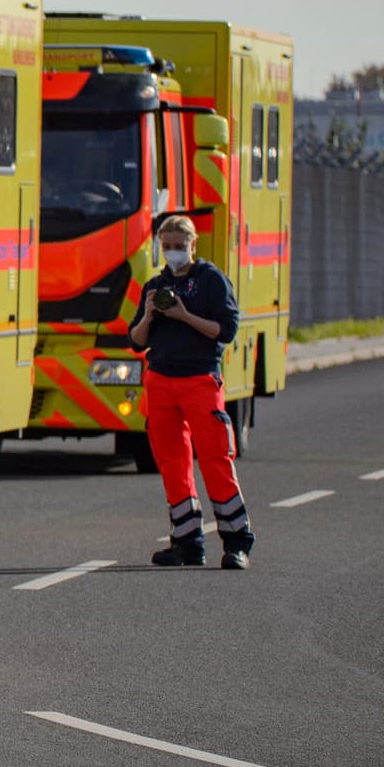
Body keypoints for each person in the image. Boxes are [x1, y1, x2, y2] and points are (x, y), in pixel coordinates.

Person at [128, 214, 252, 570]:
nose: (173, 252)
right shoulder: (155, 286)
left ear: (193, 245)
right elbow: (136, 341)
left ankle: (236, 543)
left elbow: (224, 330)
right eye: (166, 246)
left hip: (199, 379)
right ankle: (186, 542)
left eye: (179, 246)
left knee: (215, 458)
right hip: (161, 380)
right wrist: (150, 315)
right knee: (172, 462)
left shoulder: (211, 280)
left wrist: (184, 316)